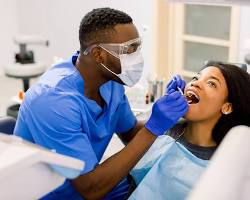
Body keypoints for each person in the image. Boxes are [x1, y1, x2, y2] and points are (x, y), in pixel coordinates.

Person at [13, 7, 188, 200]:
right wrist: (154, 127)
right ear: (98, 54)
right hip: (52, 194)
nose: (137, 58)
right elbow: (91, 189)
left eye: (137, 48)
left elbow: (130, 133)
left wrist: (168, 114)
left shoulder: (110, 83)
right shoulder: (52, 101)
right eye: (129, 50)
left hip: (94, 183)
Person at [128, 61, 250, 200]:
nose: (195, 83)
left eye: (211, 83)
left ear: (227, 107)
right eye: (196, 78)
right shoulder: (168, 128)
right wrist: (156, 121)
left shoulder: (226, 161)